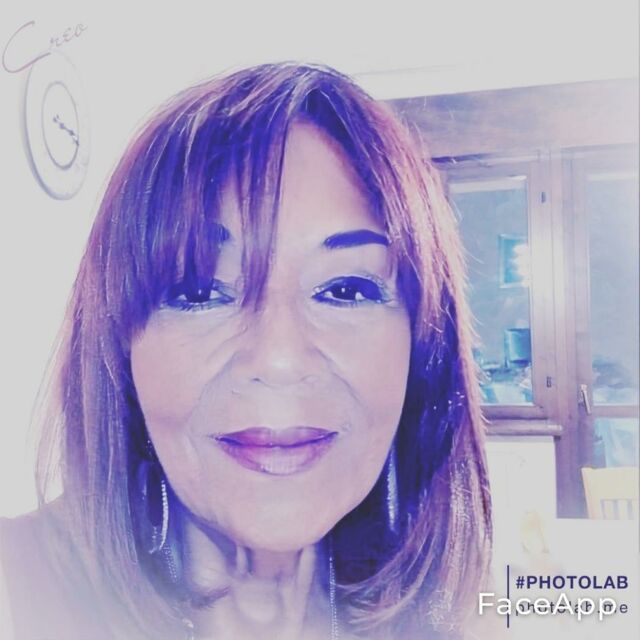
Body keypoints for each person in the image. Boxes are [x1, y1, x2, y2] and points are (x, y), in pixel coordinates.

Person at [0, 62, 492, 639]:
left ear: (423, 347)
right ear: (120, 349)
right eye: (198, 292)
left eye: (346, 290)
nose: (279, 359)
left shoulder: (453, 619)